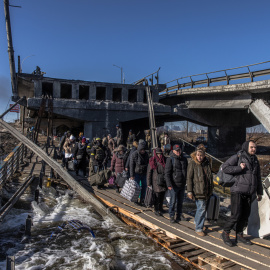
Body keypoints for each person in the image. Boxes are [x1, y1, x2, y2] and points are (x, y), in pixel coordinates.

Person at [220, 140, 263, 247]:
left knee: (245, 215)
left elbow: (258, 177)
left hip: (249, 192)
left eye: (255, 147)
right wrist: (239, 168)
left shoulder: (255, 160)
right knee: (236, 215)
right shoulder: (239, 156)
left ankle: (239, 235)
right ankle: (225, 233)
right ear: (246, 147)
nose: (254, 149)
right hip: (237, 190)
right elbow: (225, 167)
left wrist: (259, 192)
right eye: (252, 147)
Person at [187, 144, 213, 236]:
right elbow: (189, 178)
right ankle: (198, 228)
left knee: (200, 208)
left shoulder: (207, 163)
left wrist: (211, 188)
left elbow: (210, 177)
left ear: (204, 155)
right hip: (197, 190)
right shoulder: (192, 163)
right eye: (198, 155)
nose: (199, 157)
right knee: (202, 209)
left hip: (206, 190)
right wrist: (189, 191)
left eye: (201, 155)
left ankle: (197, 221)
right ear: (195, 154)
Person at [165, 144, 188, 223]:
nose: (178, 152)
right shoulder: (170, 159)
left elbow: (186, 171)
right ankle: (171, 215)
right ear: (173, 151)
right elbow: (167, 173)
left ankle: (179, 215)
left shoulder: (184, 159)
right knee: (173, 201)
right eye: (177, 150)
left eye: (179, 150)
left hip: (182, 184)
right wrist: (169, 185)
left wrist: (187, 182)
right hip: (174, 185)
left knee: (180, 202)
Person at [147, 148, 166, 216]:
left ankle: (161, 208)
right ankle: (156, 209)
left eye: (160, 154)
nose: (159, 155)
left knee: (162, 195)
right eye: (158, 154)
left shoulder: (164, 160)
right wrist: (148, 183)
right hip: (155, 180)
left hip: (163, 180)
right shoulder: (152, 160)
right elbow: (149, 172)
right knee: (156, 196)